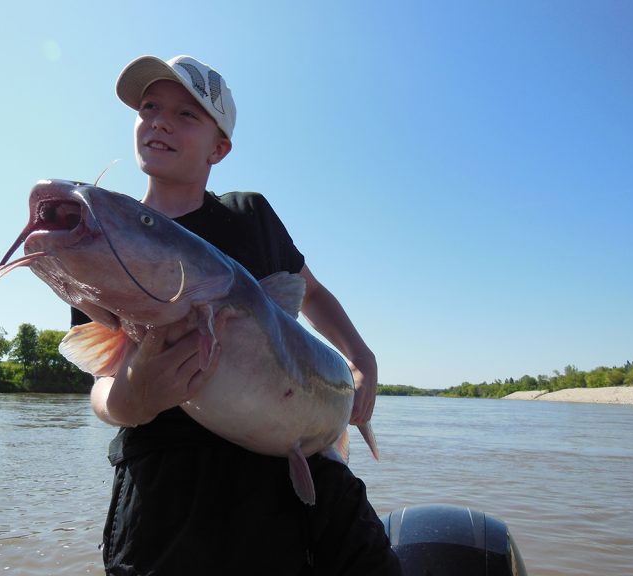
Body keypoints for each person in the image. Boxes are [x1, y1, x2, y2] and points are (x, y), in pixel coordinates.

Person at [76, 54, 400, 575]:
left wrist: (361, 356)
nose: (159, 121)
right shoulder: (100, 235)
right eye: (150, 106)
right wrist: (129, 400)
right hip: (167, 484)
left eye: (187, 115)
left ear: (219, 147)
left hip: (290, 462)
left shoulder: (249, 215)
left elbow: (309, 293)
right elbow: (101, 382)